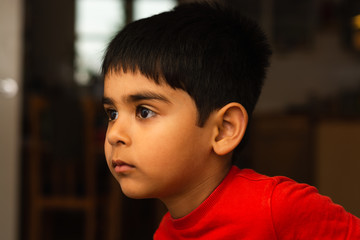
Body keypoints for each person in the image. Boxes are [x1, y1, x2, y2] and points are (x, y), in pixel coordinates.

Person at [101, 1, 360, 239]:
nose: (114, 135)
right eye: (112, 113)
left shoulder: (278, 208)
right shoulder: (165, 234)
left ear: (224, 130)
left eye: (144, 111)